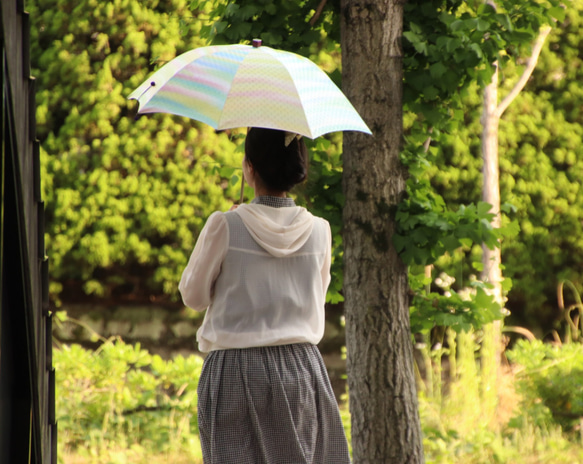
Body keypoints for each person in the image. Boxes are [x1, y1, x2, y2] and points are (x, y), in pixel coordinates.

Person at [179, 127, 351, 464]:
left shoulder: (225, 226)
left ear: (249, 167)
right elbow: (314, 293)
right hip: (301, 369)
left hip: (234, 369)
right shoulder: (320, 231)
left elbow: (193, 296)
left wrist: (228, 233)